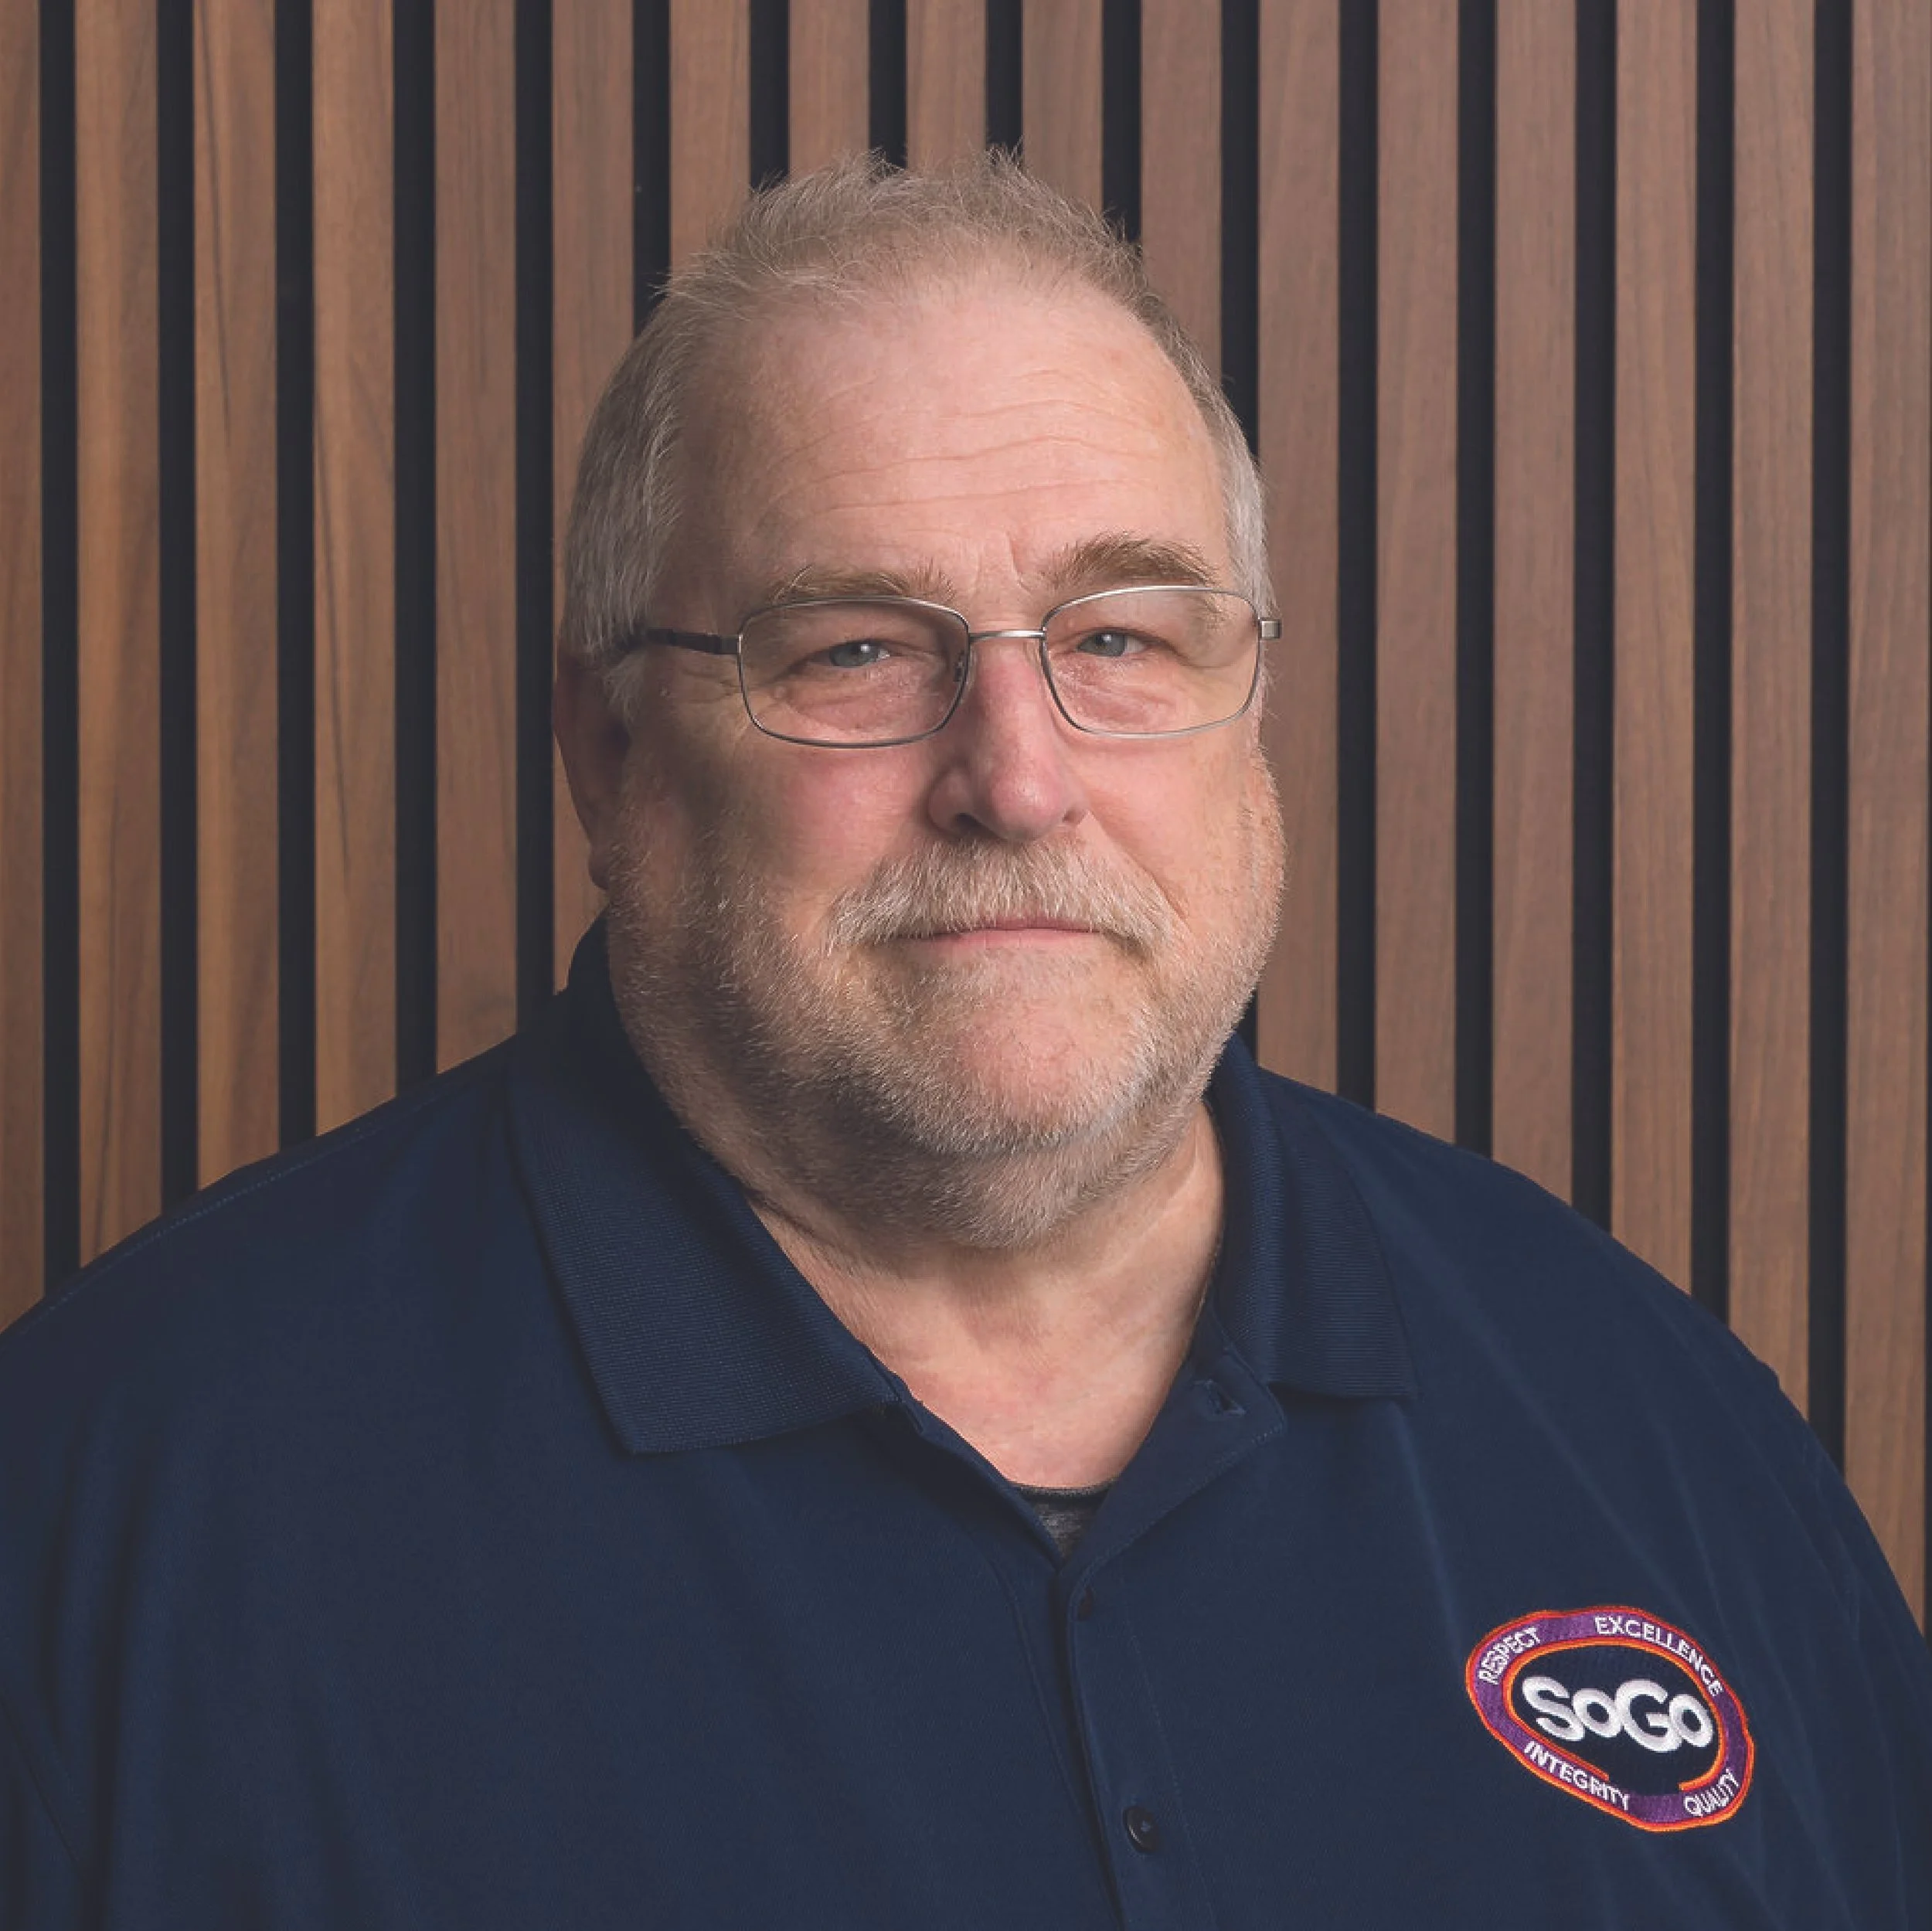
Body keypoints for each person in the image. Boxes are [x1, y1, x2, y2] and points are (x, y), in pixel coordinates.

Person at [2, 155, 1927, 1929]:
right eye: (853, 645)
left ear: (1246, 708)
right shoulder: (106, 1525)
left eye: (1118, 639)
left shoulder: (1653, 1425)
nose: (1017, 779)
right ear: (608, 753)